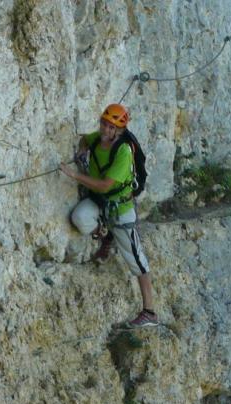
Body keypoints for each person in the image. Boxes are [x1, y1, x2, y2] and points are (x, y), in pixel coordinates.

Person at [59, 103, 159, 328]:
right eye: (104, 123)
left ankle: (150, 312)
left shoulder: (123, 151)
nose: (105, 129)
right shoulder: (98, 138)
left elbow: (105, 185)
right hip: (101, 203)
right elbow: (87, 139)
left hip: (120, 207)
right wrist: (83, 149)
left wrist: (74, 175)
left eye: (111, 126)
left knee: (136, 258)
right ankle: (105, 233)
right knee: (80, 218)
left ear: (119, 130)